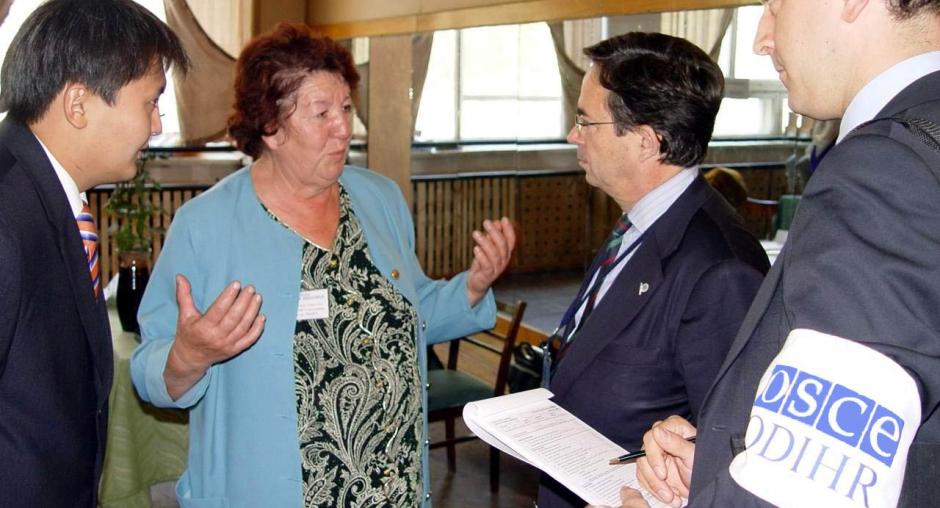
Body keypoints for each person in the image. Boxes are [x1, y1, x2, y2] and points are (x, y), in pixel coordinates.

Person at [131, 23, 515, 507]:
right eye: (322, 113)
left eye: (346, 108)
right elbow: (149, 367)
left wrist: (472, 288)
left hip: (392, 489)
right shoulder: (205, 225)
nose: (344, 128)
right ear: (270, 127)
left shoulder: (379, 199)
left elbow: (407, 315)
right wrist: (189, 354)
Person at [607, 0, 940, 507]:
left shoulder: (885, 169)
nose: (762, 39)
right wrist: (726, 466)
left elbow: (818, 489)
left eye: (775, 6)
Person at [537, 32, 769, 508]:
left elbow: (730, 447)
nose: (573, 135)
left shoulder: (721, 268)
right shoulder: (641, 222)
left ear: (646, 141)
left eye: (585, 121)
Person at [0, 1, 188, 506]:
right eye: (150, 102)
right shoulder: (6, 212)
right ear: (78, 104)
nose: (157, 125)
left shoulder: (44, 192)